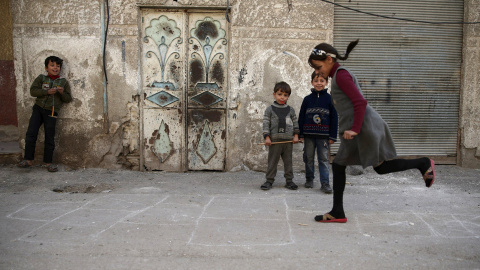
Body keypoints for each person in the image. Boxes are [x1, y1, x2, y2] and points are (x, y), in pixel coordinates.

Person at [307, 40, 435, 223]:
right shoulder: (339, 75)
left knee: (352, 166)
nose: (318, 72)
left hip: (362, 127)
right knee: (371, 167)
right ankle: (338, 211)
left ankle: (423, 163)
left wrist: (355, 130)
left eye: (318, 67)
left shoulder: (341, 76)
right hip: (360, 126)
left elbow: (360, 102)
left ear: (329, 60)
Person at [17, 56, 73, 172]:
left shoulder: (63, 82)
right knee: (31, 133)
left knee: (49, 136)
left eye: (57, 66)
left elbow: (68, 99)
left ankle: (48, 162)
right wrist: (46, 92)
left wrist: (62, 93)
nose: (55, 68)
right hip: (38, 109)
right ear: (46, 68)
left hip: (52, 111)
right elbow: (33, 91)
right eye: (52, 65)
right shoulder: (41, 78)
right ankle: (28, 160)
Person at [298, 71, 338, 193]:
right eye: (316, 81)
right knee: (308, 158)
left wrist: (332, 136)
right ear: (312, 82)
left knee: (323, 160)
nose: (319, 83)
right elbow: (301, 117)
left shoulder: (330, 99)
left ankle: (325, 183)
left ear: (326, 82)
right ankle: (309, 179)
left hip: (324, 137)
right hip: (309, 136)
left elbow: (334, 118)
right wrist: (300, 134)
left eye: (322, 81)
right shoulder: (307, 99)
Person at [261, 81, 300, 190]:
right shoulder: (269, 110)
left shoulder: (290, 110)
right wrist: (267, 137)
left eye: (285, 95)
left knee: (288, 162)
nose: (282, 97)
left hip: (288, 141)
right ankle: (269, 180)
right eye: (279, 94)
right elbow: (265, 123)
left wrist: (296, 135)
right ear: (274, 94)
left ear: (288, 96)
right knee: (272, 161)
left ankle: (289, 180)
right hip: (275, 141)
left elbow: (295, 123)